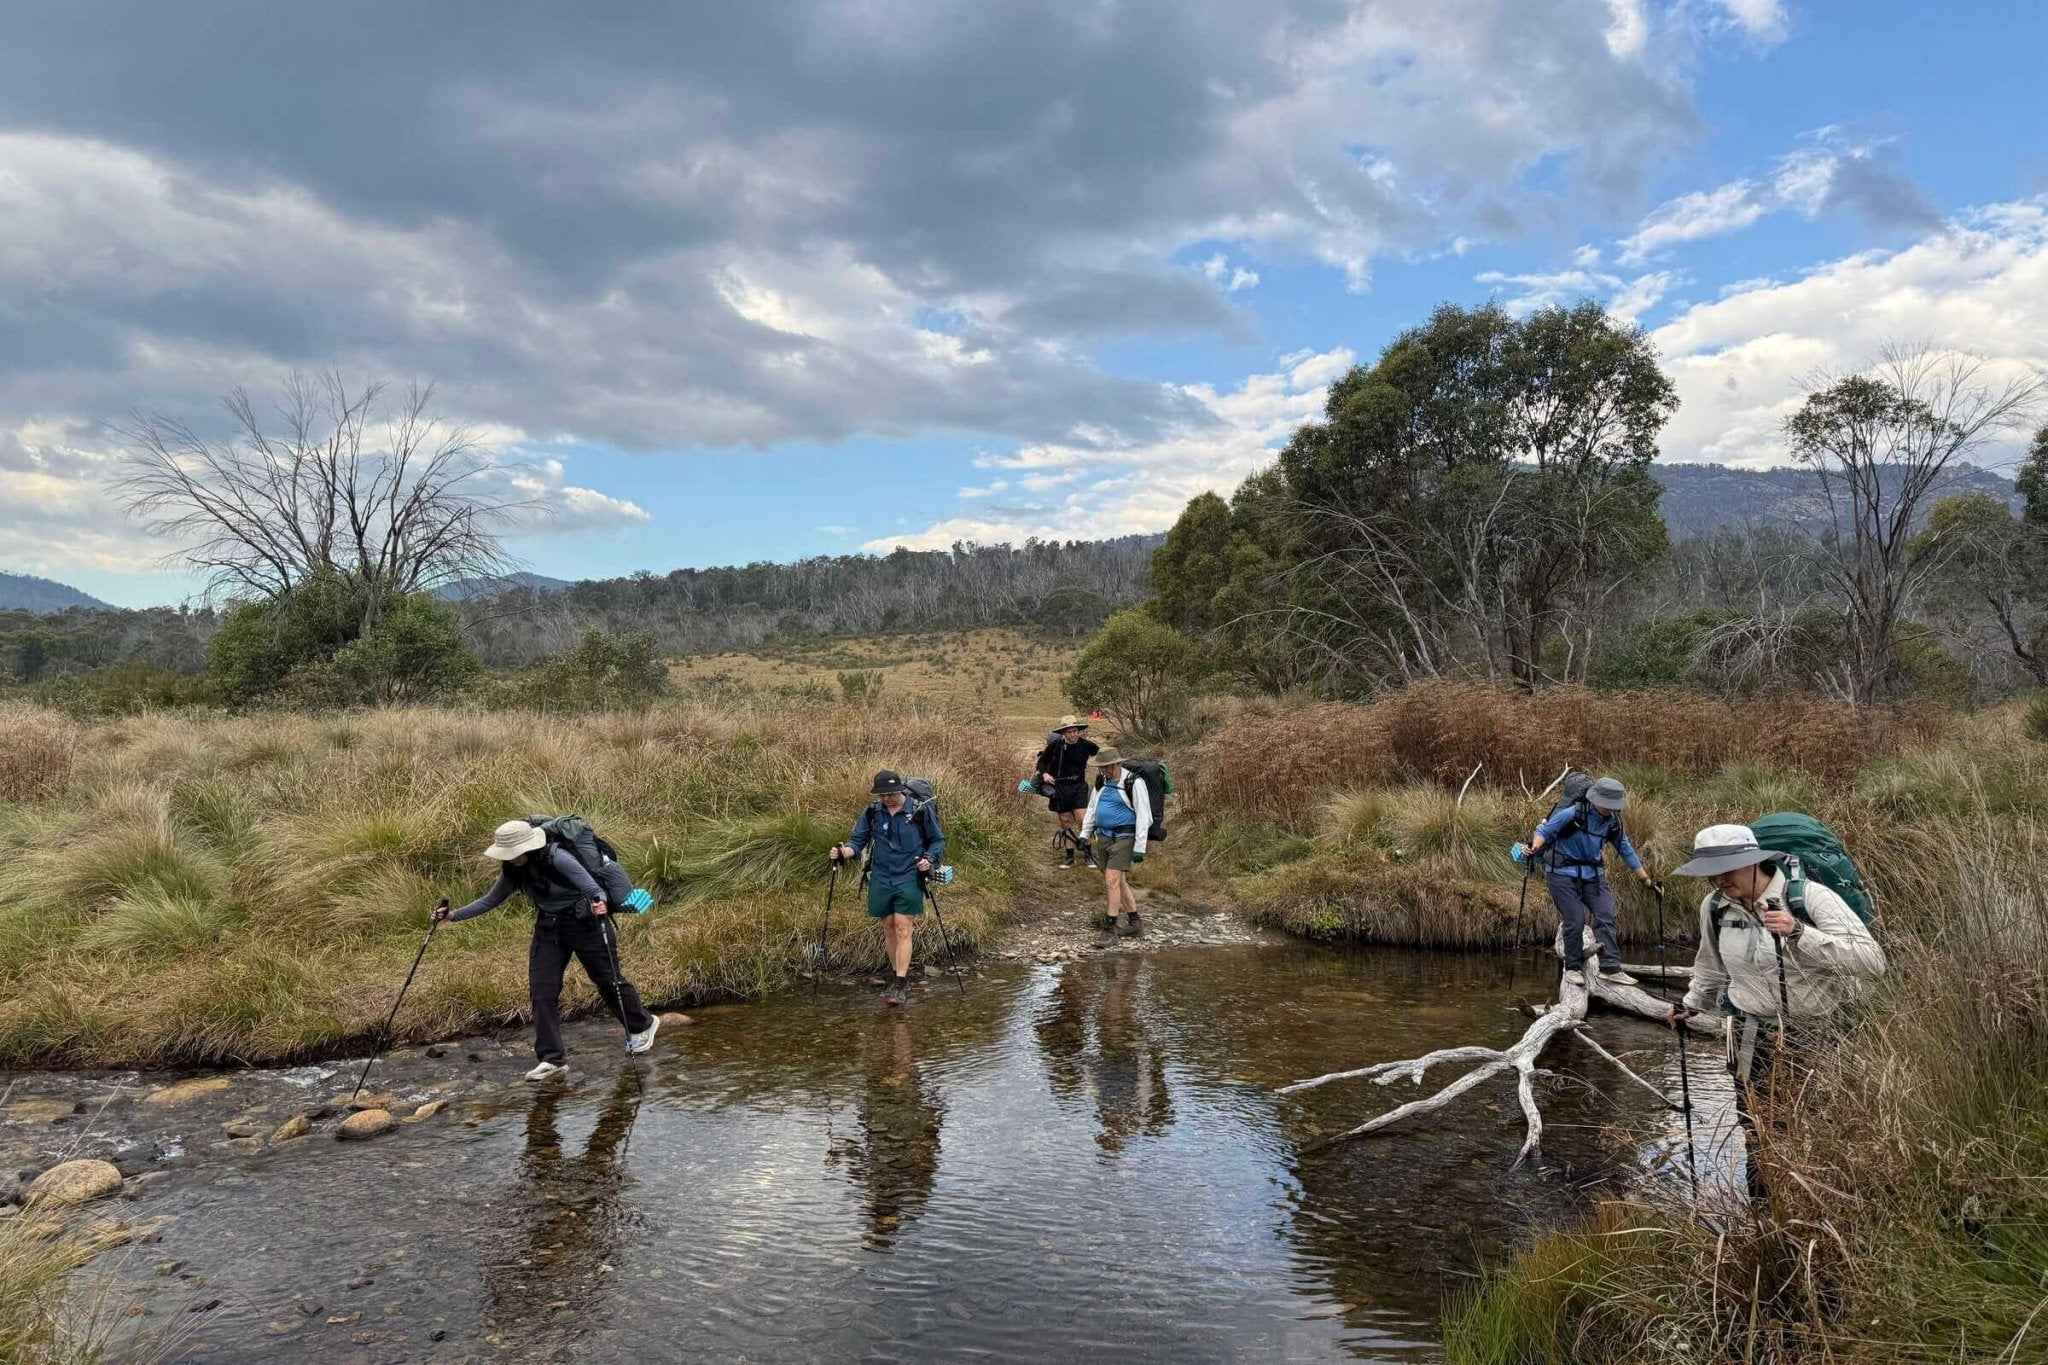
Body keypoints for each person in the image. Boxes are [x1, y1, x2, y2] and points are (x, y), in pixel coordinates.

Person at [1666, 822, 1886, 1200]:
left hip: (1814, 1035)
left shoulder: (1809, 898)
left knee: (1812, 1124)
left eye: (1727, 869)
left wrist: (1799, 932)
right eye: (1711, 873)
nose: (1719, 880)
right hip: (1747, 1033)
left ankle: (1817, 1203)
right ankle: (1764, 1205)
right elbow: (1710, 965)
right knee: (1754, 1123)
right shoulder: (1715, 907)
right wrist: (1691, 1005)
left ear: (1754, 861)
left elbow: (1872, 961)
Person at [436, 819, 658, 1080]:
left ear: (526, 847)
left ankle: (642, 1025)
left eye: (512, 852)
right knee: (542, 991)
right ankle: (552, 1059)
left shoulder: (558, 858)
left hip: (585, 923)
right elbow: (490, 901)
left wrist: (599, 902)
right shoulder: (512, 870)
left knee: (608, 981)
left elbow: (594, 889)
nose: (509, 857)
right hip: (549, 928)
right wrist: (452, 916)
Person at [1523, 775, 1653, 987]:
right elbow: (1544, 830)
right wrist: (1536, 846)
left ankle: (1610, 968)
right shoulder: (1574, 813)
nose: (1611, 809)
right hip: (1561, 874)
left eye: (1614, 805)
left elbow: (1625, 849)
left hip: (1593, 876)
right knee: (1575, 919)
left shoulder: (1613, 822)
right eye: (1608, 804)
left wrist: (1645, 879)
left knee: (1606, 914)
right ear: (1595, 800)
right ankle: (1572, 967)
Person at [833, 770, 945, 1006]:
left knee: (903, 927)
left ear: (901, 790)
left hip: (909, 875)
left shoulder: (919, 810)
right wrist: (843, 853)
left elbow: (937, 841)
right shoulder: (873, 812)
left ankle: (901, 984)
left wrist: (929, 859)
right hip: (881, 876)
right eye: (882, 795)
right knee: (889, 926)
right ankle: (896, 976)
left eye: (891, 794)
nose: (887, 799)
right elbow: (858, 841)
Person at [1080, 747, 1150, 937]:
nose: (1105, 771)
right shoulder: (1101, 781)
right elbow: (1092, 808)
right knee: (1118, 881)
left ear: (1117, 764)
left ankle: (1110, 928)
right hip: (1103, 837)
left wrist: (1139, 848)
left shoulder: (1134, 782)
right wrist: (1084, 834)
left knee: (1111, 880)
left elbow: (1144, 816)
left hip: (1124, 837)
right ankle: (1135, 922)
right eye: (1102, 767)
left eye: (1108, 767)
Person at [1034, 716, 1100, 868]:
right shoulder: (1055, 745)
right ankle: (1069, 857)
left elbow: (1100, 754)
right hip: (1060, 787)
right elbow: (1042, 762)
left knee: (1083, 819)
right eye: (1069, 732)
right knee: (1065, 821)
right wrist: (1045, 774)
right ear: (1063, 733)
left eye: (1075, 731)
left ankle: (1088, 854)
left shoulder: (1086, 745)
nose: (1073, 734)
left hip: (1079, 786)